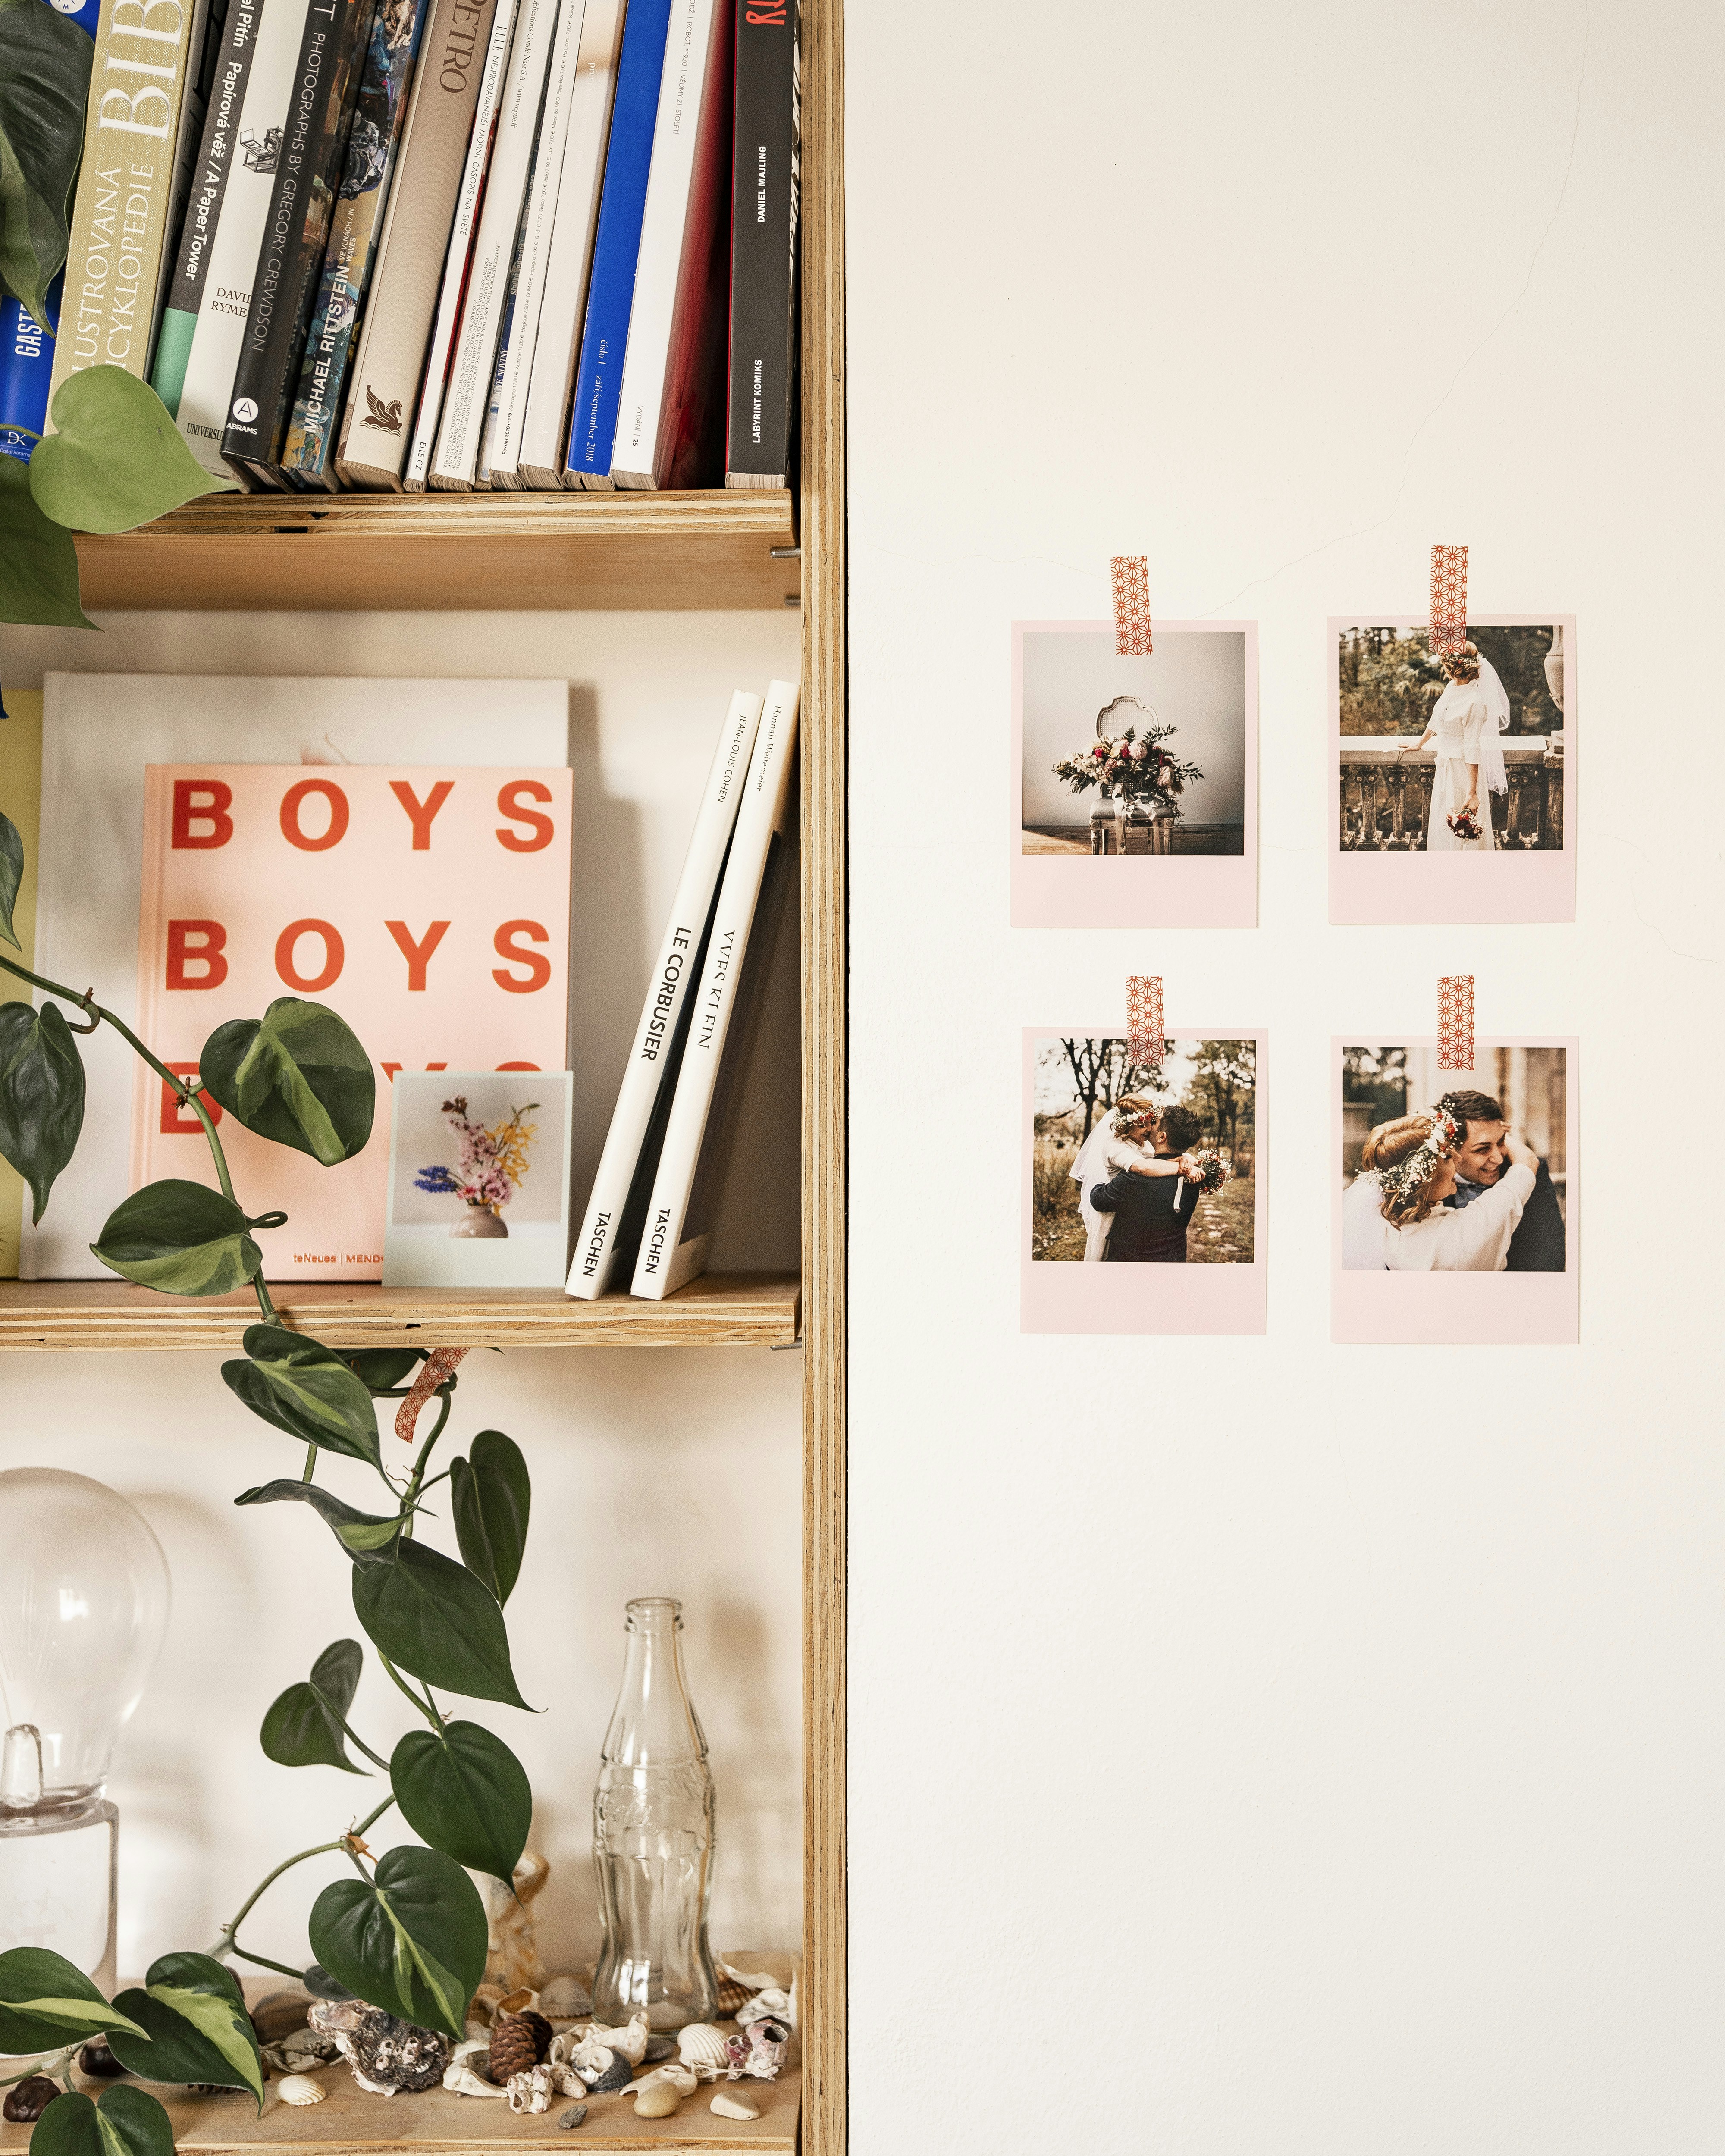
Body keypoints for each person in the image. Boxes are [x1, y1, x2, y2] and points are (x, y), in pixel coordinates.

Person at [1347, 1108, 1538, 1270]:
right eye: (1447, 1156)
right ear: (1420, 1179)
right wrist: (1500, 1134)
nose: (1458, 1158)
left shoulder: (1381, 1233)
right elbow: (1528, 1162)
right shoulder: (1473, 1228)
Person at [1395, 641, 1510, 852]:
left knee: (1463, 831)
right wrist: (1420, 743)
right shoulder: (1451, 688)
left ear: (1450, 668)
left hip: (1464, 775)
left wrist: (1473, 792)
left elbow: (1473, 747)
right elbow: (1437, 718)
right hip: (1446, 770)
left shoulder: (1475, 702)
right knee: (1444, 827)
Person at [1436, 1087, 1566, 1272]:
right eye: (1482, 1149)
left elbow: (1550, 1254)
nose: (1498, 1158)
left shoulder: (1532, 1172)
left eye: (1501, 1142)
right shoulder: (1429, 1185)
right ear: (1451, 1150)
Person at [1067, 1095, 1187, 1261]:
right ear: (1126, 1126)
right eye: (1142, 1125)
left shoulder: (1142, 1141)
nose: (1148, 1129)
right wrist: (1183, 1169)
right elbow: (1141, 1167)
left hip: (1134, 1211)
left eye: (1151, 1122)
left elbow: (1163, 1157)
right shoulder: (1115, 1146)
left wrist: (1187, 1158)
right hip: (1113, 1210)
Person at [1090, 1104, 1206, 1263]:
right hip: (1175, 1259)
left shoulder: (1135, 1178)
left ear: (1162, 1137)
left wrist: (1098, 1183)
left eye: (1154, 1122)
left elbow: (1099, 1201)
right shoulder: (1194, 1175)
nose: (1149, 1127)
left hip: (1132, 1264)